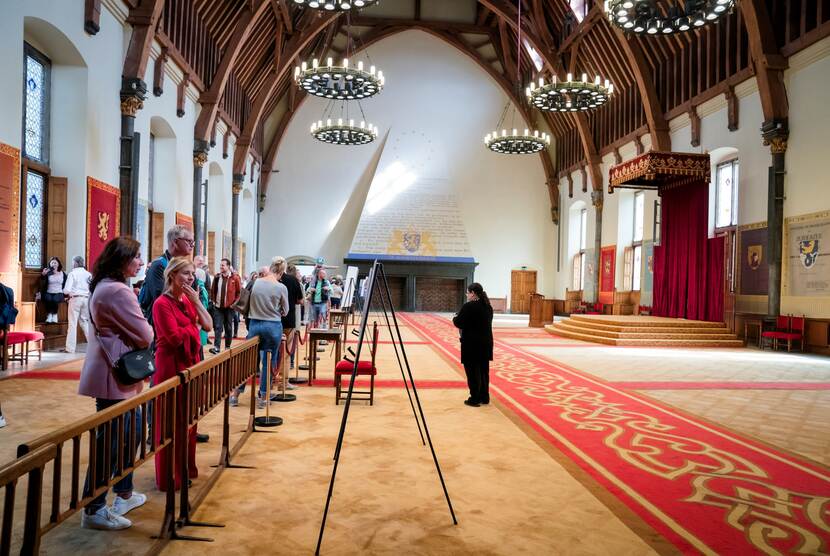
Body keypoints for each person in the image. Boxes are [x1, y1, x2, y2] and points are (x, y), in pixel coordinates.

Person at [78, 237, 153, 530]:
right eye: (136, 257)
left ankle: (123, 493)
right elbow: (146, 335)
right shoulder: (118, 291)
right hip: (114, 375)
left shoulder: (105, 286)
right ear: (122, 260)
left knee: (129, 433)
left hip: (112, 372)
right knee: (111, 442)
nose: (140, 262)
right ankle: (93, 508)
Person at [152, 257, 213, 491]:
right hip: (170, 366)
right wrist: (194, 328)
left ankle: (184, 468)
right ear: (172, 276)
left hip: (190, 364)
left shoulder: (188, 300)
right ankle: (169, 475)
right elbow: (175, 339)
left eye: (192, 273)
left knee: (188, 421)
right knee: (171, 422)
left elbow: (207, 325)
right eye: (186, 273)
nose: (190, 278)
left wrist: (197, 302)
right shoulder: (161, 304)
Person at [231, 259, 288, 407]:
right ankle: (263, 399)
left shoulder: (257, 282)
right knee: (268, 362)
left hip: (255, 324)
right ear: (281, 272)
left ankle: (235, 396)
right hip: (272, 326)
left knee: (248, 362)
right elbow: (286, 311)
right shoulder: (281, 287)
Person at [139, 225, 194, 325]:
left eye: (192, 242)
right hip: (161, 325)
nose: (192, 245)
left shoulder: (184, 265)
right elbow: (163, 300)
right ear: (176, 242)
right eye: (189, 241)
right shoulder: (159, 265)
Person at [452, 283, 494, 408]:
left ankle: (475, 398)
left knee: (472, 371)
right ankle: (484, 397)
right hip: (486, 343)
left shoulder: (469, 306)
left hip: (472, 344)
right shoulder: (488, 306)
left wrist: (455, 318)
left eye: (468, 292)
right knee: (483, 371)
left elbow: (459, 323)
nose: (467, 294)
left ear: (473, 293)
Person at [209, 258, 241, 354]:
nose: (221, 267)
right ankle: (216, 347)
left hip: (229, 308)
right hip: (218, 307)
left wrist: (234, 304)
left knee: (228, 328)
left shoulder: (235, 278)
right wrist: (213, 301)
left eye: (223, 265)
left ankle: (227, 347)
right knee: (218, 327)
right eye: (220, 265)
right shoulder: (217, 277)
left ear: (228, 266)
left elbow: (239, 293)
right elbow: (213, 290)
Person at [63, 256, 92, 353]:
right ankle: (93, 346)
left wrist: (64, 291)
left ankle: (70, 348)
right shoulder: (88, 274)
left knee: (72, 323)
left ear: (75, 263)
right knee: (84, 322)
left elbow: (67, 289)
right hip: (86, 299)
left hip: (75, 299)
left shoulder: (73, 273)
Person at [281, 262, 304, 369]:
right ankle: (284, 378)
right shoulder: (295, 282)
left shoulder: (278, 280)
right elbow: (300, 301)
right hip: (291, 316)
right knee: (289, 345)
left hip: (277, 317)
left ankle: (272, 377)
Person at [40, 257, 67, 323]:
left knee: (55, 299)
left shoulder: (62, 273)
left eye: (55, 263)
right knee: (48, 299)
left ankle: (54, 315)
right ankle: (49, 315)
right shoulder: (48, 273)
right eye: (52, 263)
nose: (54, 264)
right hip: (48, 292)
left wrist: (67, 295)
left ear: (58, 264)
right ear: (50, 264)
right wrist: (43, 275)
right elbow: (42, 283)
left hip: (59, 292)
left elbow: (66, 284)